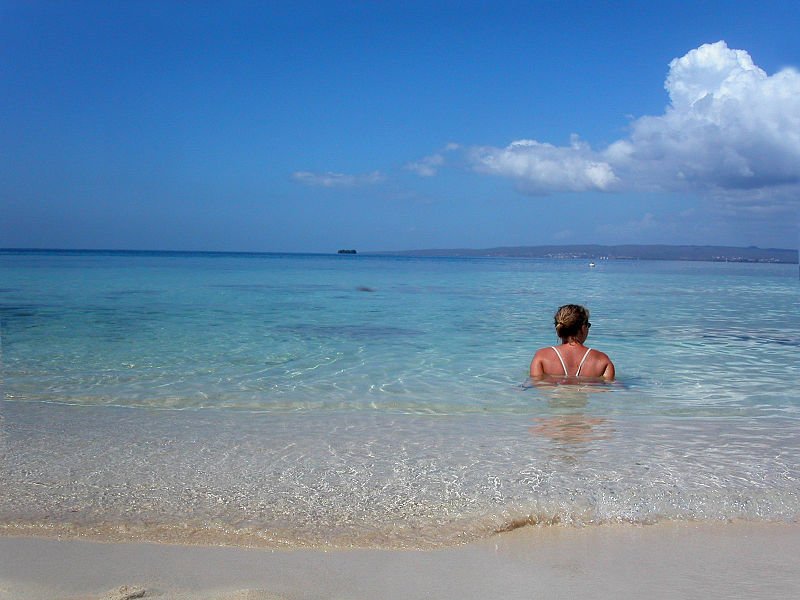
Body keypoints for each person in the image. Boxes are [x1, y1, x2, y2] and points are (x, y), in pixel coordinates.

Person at [530, 304, 615, 381]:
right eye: (588, 325)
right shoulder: (602, 360)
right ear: (583, 328)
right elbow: (612, 389)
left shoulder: (542, 356)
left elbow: (533, 384)